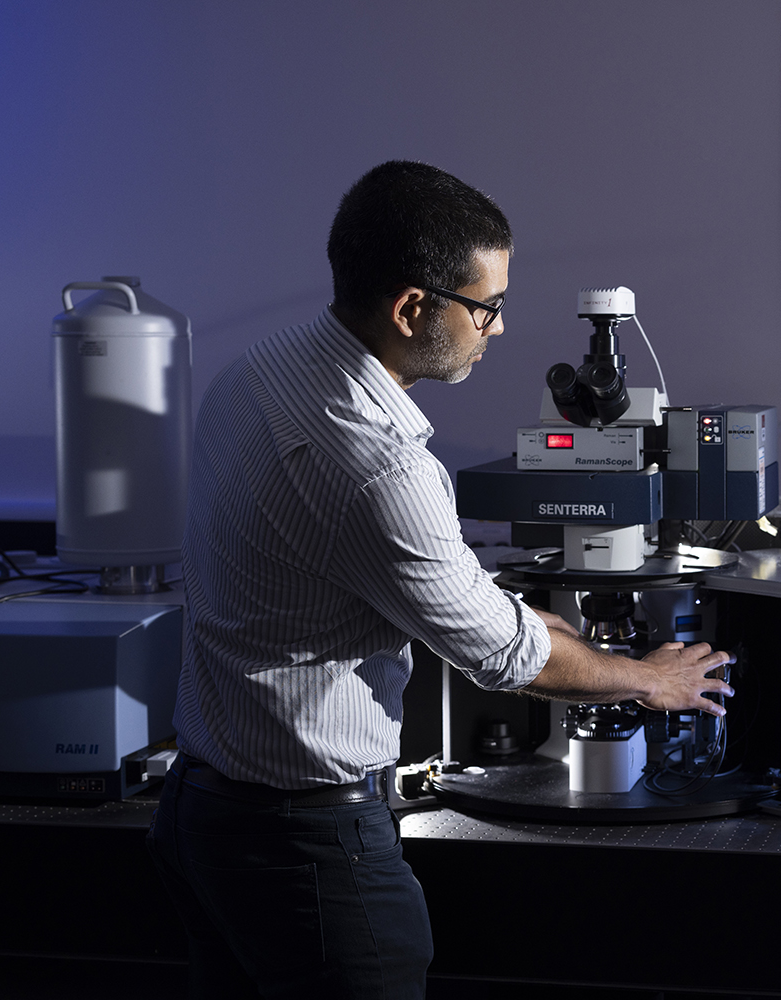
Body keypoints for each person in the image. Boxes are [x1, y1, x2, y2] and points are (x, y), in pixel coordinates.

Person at [146, 160, 734, 999]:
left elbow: (367, 573)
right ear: (411, 306)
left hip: (201, 816)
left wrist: (522, 618)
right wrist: (648, 679)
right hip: (307, 847)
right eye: (485, 306)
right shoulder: (376, 465)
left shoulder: (259, 371)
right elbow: (505, 660)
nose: (495, 328)